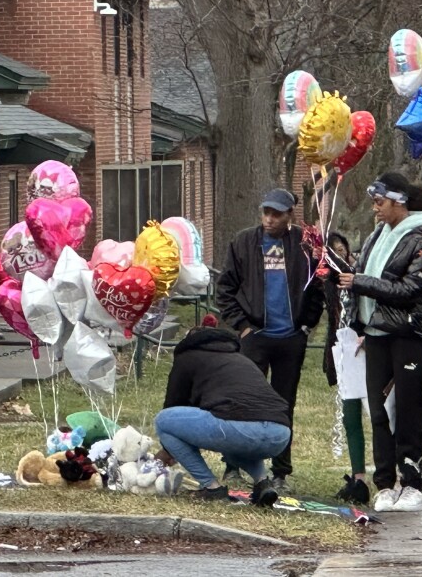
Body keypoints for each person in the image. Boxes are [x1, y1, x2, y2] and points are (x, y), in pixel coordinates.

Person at [337, 173, 422, 513]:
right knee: (379, 408)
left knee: (408, 407)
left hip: (407, 333)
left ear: (399, 202)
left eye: (380, 202)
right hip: (375, 334)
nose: (375, 209)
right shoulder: (376, 236)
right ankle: (384, 483)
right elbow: (364, 280)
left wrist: (360, 282)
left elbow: (412, 289)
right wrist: (356, 317)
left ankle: (412, 482)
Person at [216, 188, 325, 492]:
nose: (269, 219)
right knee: (243, 401)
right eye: (266, 212)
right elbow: (224, 289)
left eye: (276, 214)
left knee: (283, 405)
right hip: (255, 338)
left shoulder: (303, 245)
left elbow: (316, 288)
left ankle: (280, 472)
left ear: (290, 215)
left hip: (291, 339)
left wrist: (306, 326)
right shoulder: (244, 243)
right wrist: (243, 327)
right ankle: (234, 466)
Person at [154, 317, 292, 507]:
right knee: (235, 439)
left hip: (237, 429)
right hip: (281, 434)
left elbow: (173, 406)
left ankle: (211, 488)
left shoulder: (188, 356)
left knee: (163, 421)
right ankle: (263, 483)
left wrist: (168, 450)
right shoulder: (240, 358)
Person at [321, 232, 370, 505]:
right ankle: (358, 477)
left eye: (342, 252)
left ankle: (393, 476)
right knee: (349, 414)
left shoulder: (361, 276)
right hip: (343, 349)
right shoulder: (327, 282)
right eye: (331, 254)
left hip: (368, 345)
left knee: (380, 413)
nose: (338, 259)